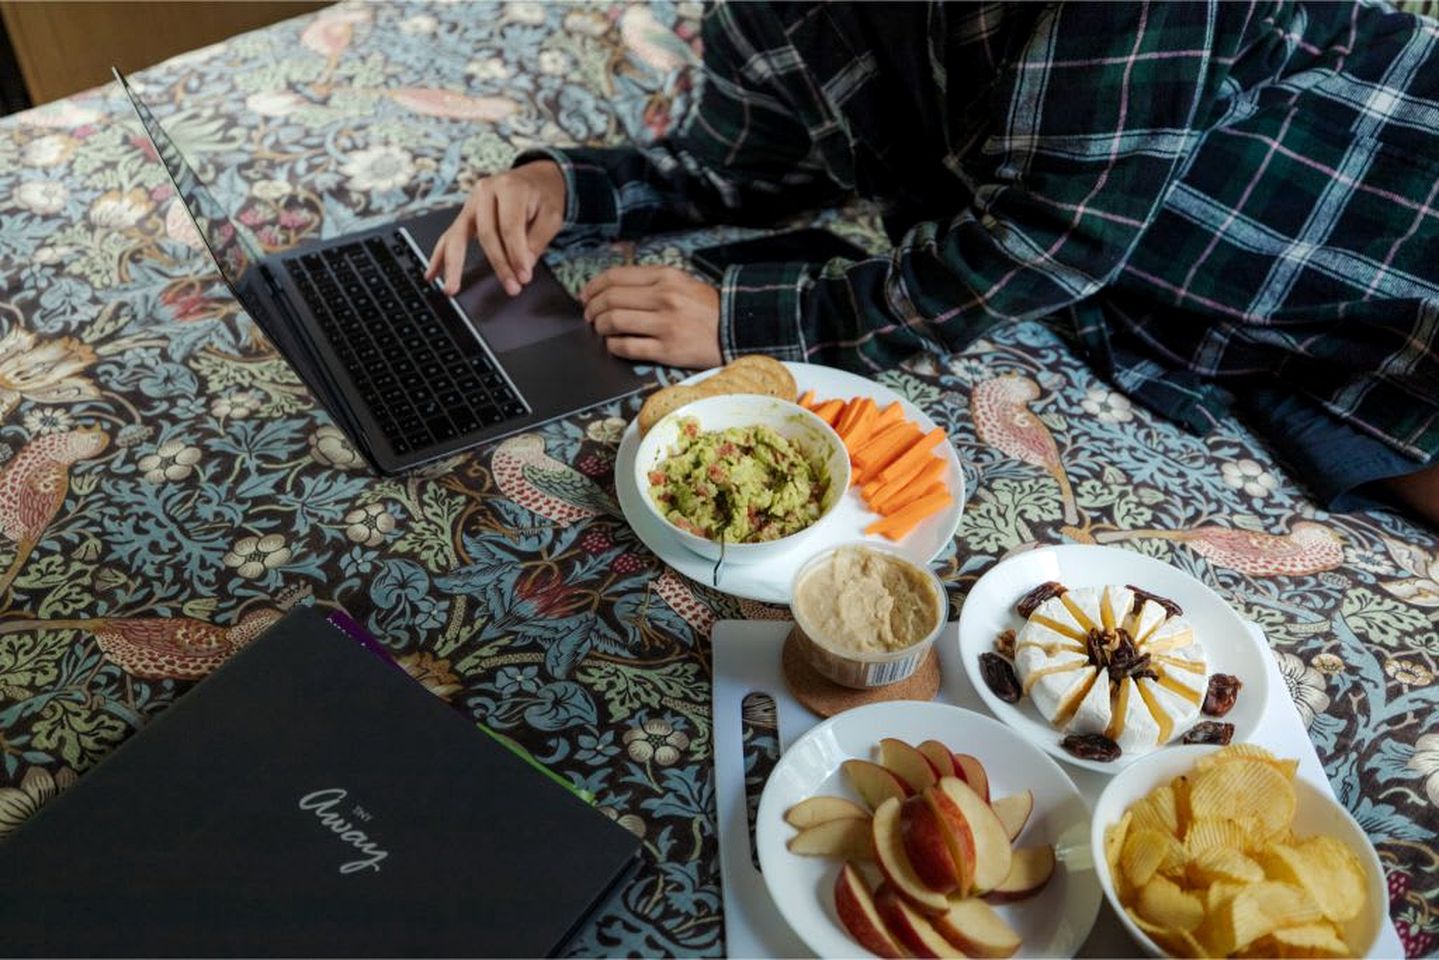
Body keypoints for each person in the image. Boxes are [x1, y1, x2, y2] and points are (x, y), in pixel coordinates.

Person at [426, 1, 1439, 525]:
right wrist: (566, 186)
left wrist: (750, 317)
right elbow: (742, 167)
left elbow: (1044, 241)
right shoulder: (772, 17)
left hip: (1379, 220)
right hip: (1207, 325)